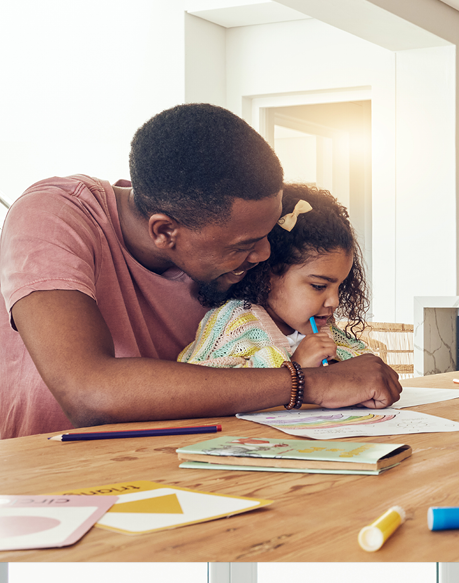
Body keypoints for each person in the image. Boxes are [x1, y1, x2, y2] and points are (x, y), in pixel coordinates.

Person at [0, 103, 401, 440]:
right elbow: (89, 393)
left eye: (266, 236)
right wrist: (309, 383)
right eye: (244, 244)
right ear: (164, 232)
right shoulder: (53, 218)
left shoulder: (216, 244)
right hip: (49, 469)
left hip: (181, 456)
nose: (264, 254)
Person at [177, 184, 376, 373]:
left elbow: (366, 362)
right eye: (318, 286)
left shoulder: (325, 329)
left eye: (340, 286)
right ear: (268, 275)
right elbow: (207, 383)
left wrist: (337, 362)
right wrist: (295, 365)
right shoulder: (234, 321)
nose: (334, 301)